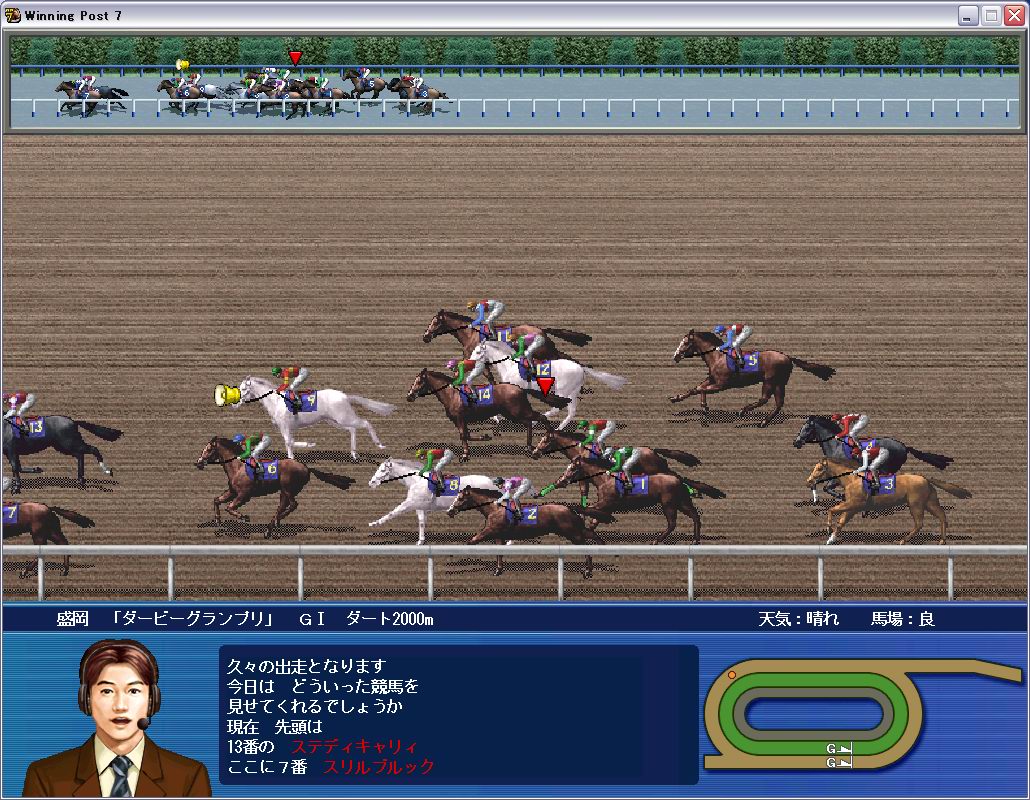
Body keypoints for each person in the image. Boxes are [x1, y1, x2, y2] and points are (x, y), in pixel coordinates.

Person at [22, 639, 212, 797]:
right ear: (86, 699)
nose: (120, 706)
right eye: (107, 691)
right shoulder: (44, 777)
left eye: (133, 691)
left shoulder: (189, 776)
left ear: (152, 700)